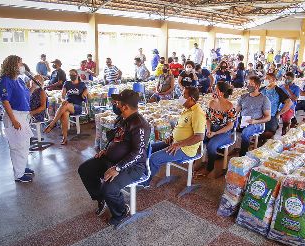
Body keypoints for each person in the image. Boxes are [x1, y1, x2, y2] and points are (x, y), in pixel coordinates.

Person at [78, 89, 150, 226]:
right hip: (112, 161)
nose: (116, 105)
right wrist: (105, 150)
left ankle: (121, 212)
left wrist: (118, 167)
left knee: (108, 189)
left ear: (125, 106)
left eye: (118, 103)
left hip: (131, 166)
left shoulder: (140, 125)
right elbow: (115, 139)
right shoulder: (124, 119)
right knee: (85, 170)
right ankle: (101, 198)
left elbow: (138, 153)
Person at [145, 86, 206, 186]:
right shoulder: (187, 109)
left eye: (183, 95)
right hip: (175, 143)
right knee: (149, 148)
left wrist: (179, 145)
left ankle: (145, 182)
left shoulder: (197, 113)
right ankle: (141, 172)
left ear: (190, 98)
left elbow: (199, 137)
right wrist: (172, 136)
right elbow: (181, 127)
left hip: (185, 150)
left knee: (154, 158)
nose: (181, 97)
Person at [0, 55, 34, 183]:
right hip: (14, 114)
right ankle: (19, 174)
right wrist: (13, 120)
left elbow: (25, 95)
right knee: (17, 145)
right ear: (13, 65)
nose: (22, 66)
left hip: (23, 114)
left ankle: (23, 167)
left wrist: (34, 87)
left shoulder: (18, 79)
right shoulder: (5, 80)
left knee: (24, 143)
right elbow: (5, 101)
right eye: (20, 63)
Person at [197, 82, 236, 177]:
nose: (213, 90)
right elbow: (208, 119)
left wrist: (215, 133)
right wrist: (209, 130)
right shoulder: (212, 103)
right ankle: (196, 162)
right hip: (212, 129)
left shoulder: (230, 106)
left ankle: (209, 168)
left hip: (224, 132)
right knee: (198, 138)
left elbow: (230, 126)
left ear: (220, 92)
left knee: (211, 145)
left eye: (215, 89)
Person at [44, 69, 88, 145]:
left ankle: (52, 124)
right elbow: (62, 96)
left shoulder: (82, 84)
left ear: (77, 75)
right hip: (67, 105)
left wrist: (85, 94)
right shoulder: (67, 83)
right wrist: (63, 100)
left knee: (65, 106)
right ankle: (65, 138)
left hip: (77, 107)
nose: (71, 76)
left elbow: (86, 95)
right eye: (70, 75)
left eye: (73, 75)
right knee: (64, 113)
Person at [236, 75, 271, 157]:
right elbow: (236, 111)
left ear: (257, 86)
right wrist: (233, 119)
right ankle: (221, 150)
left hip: (256, 123)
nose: (248, 86)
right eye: (248, 84)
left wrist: (255, 121)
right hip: (243, 121)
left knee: (245, 133)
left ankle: (242, 156)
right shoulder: (243, 97)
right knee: (227, 127)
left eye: (251, 84)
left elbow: (268, 117)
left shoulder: (264, 99)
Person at [259, 73, 292, 143]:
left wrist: (279, 114)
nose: (265, 80)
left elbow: (289, 103)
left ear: (273, 80)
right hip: (259, 115)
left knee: (269, 134)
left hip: (272, 115)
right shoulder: (262, 89)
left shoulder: (278, 90)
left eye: (268, 78)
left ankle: (263, 143)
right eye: (265, 78)